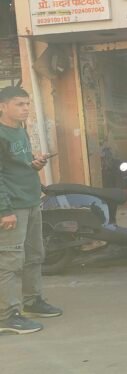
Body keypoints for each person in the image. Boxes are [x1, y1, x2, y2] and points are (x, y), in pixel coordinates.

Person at [0, 86, 62, 335]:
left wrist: (34, 164)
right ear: (2, 106)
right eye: (19, 104)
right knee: (9, 261)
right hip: (12, 206)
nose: (26, 108)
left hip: (31, 200)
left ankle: (32, 301)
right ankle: (7, 316)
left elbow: (17, 165)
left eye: (27, 104)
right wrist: (4, 210)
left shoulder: (20, 130)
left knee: (34, 255)